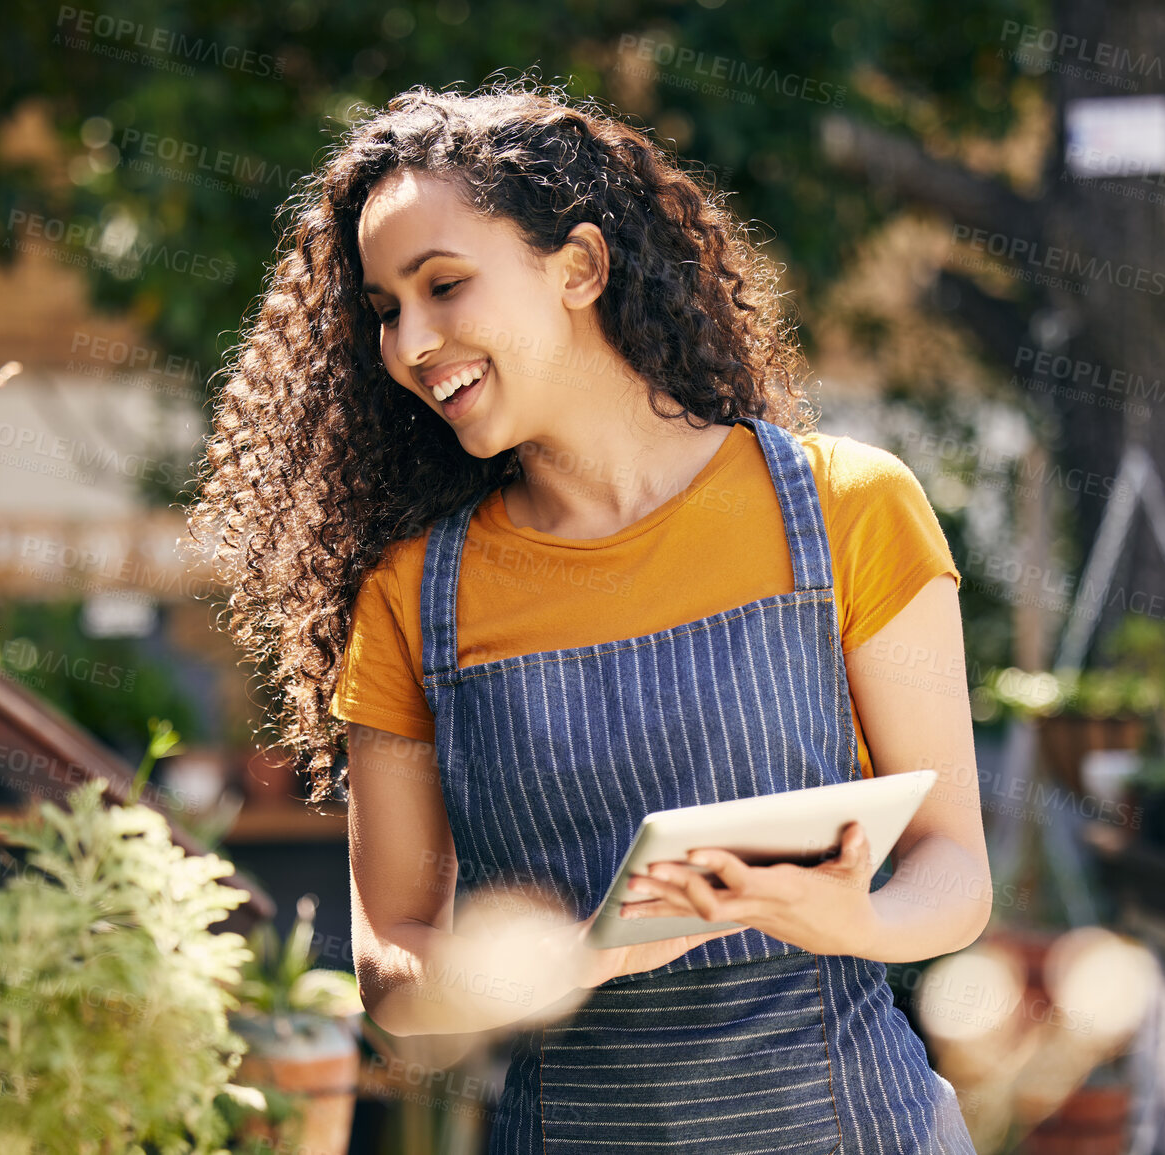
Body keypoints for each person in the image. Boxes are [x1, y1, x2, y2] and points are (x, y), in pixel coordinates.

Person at [186, 79, 988, 1154]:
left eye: (445, 285)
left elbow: (956, 872)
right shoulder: (415, 598)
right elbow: (394, 975)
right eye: (386, 310)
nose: (413, 341)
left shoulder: (846, 509)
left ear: (580, 268)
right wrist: (570, 960)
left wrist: (865, 920)